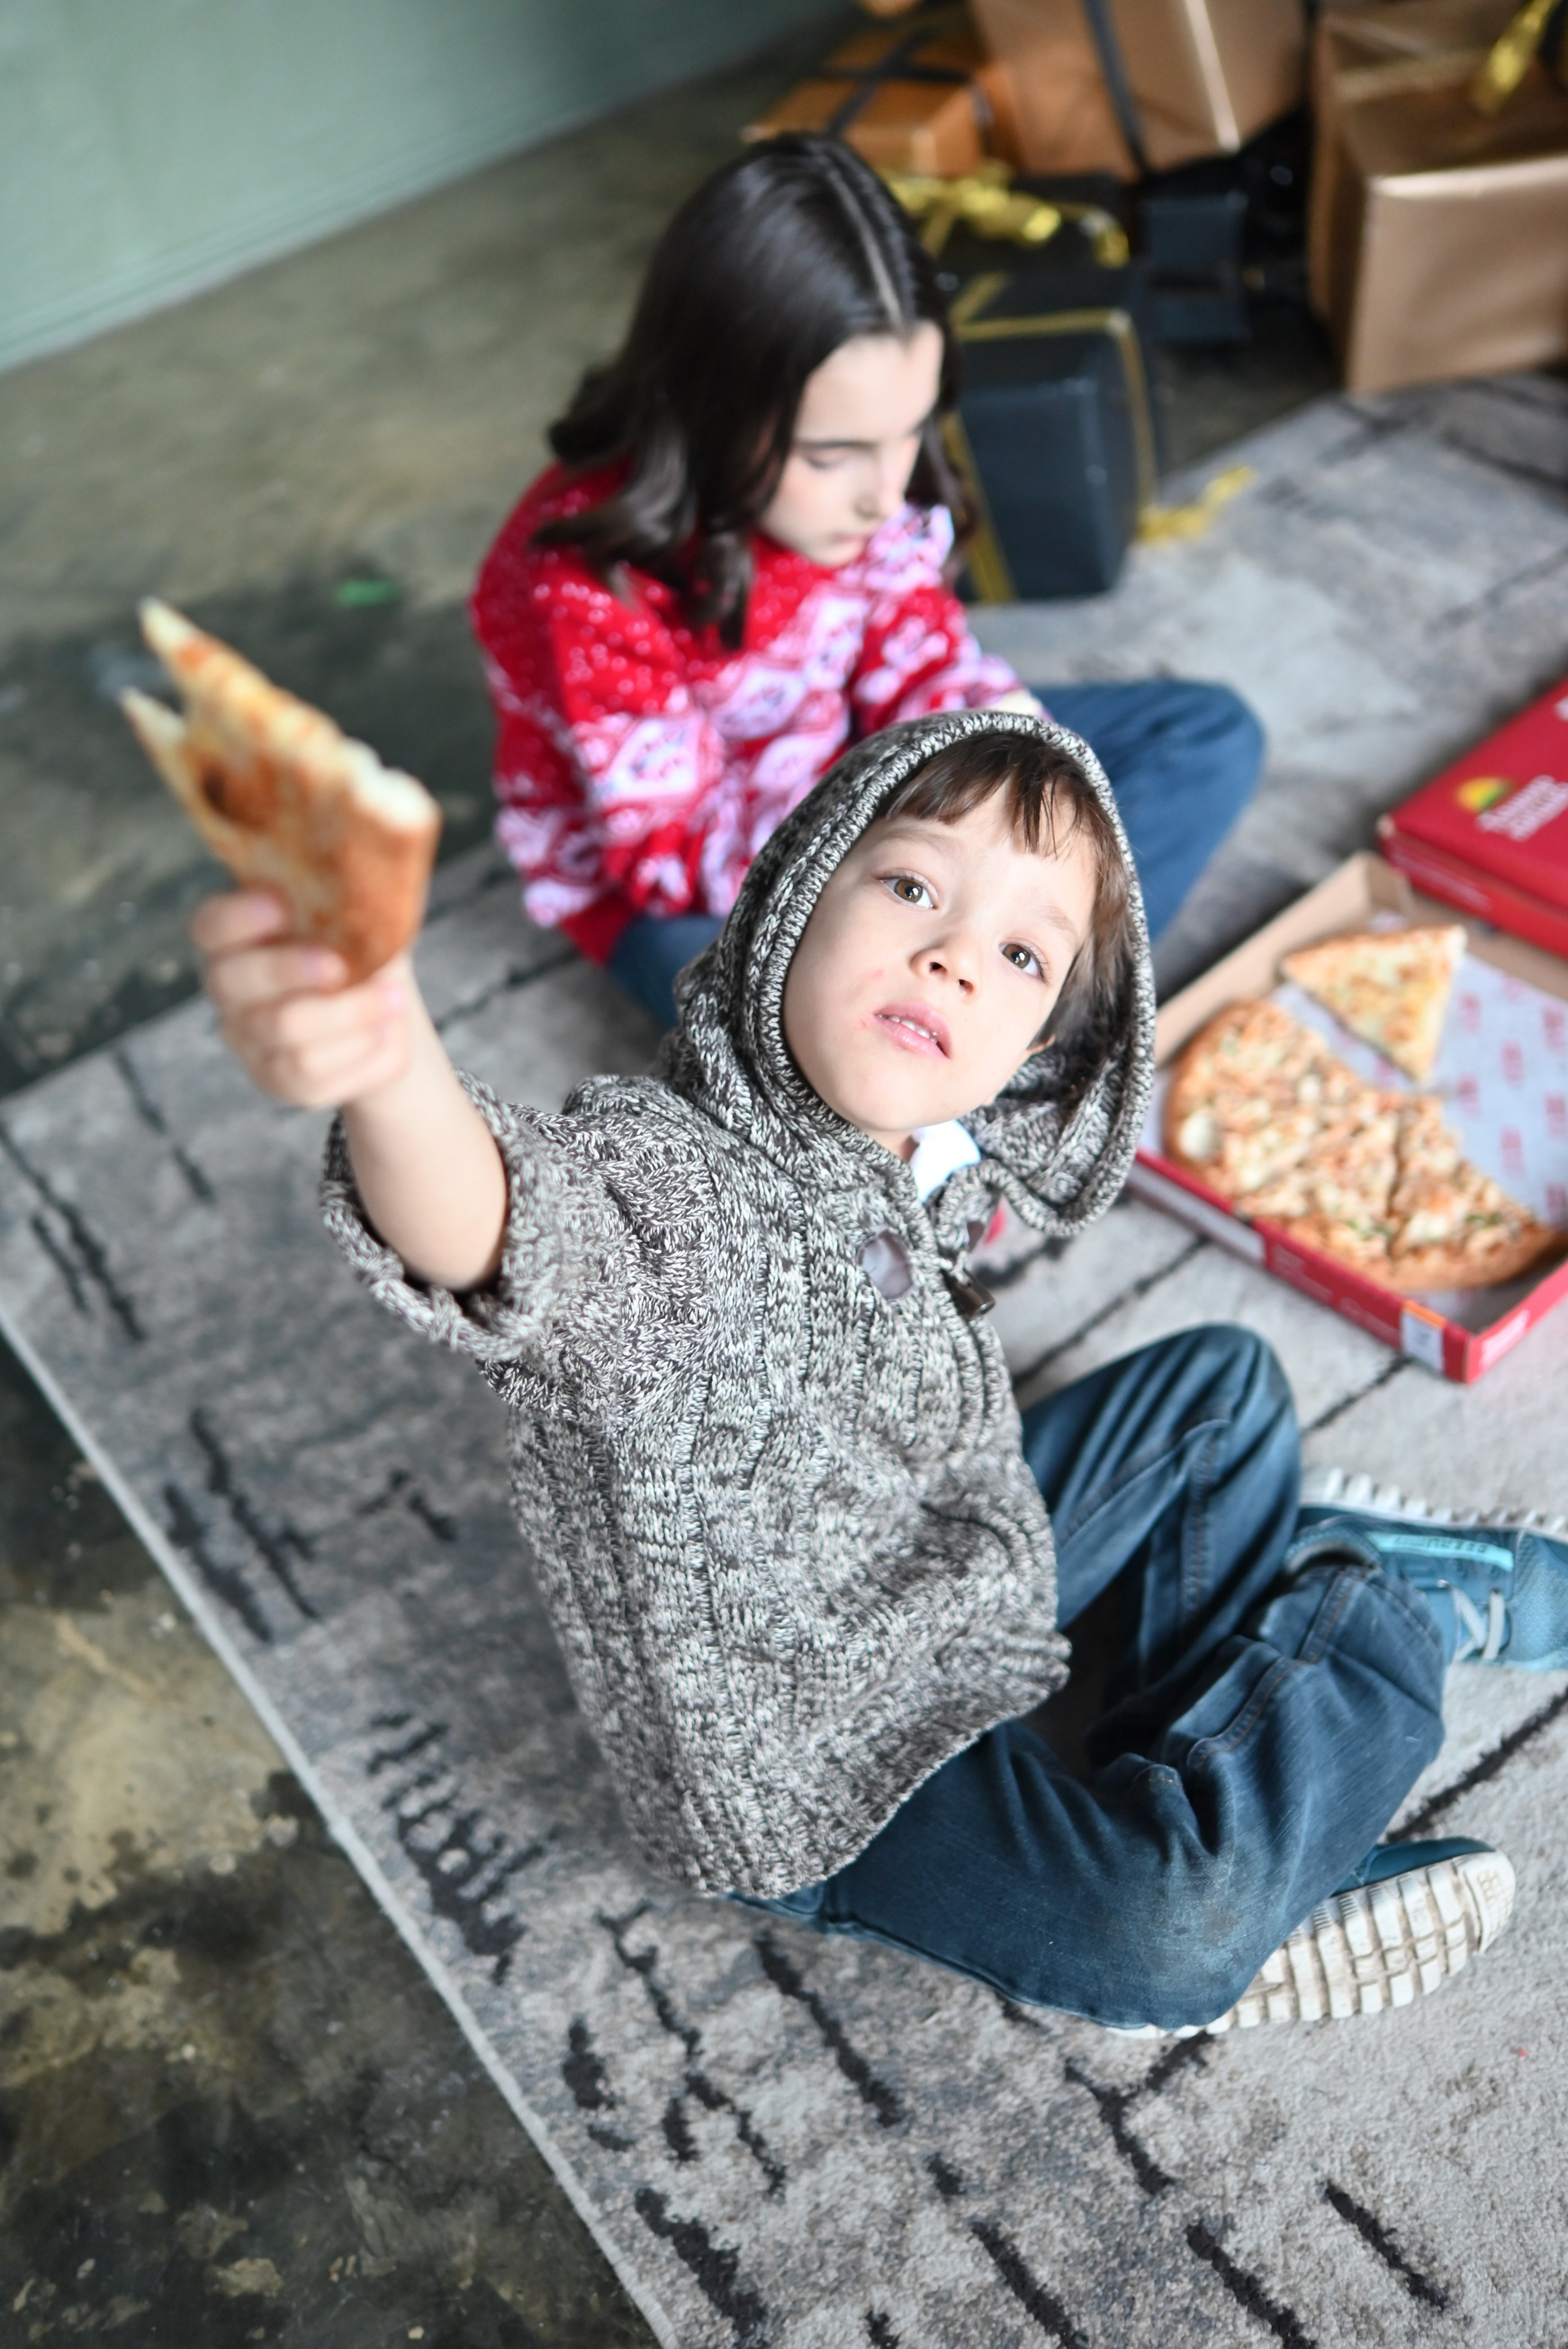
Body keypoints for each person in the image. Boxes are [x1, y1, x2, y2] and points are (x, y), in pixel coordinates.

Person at [192, 706, 1565, 2034]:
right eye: (911, 884)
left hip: (955, 1557)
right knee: (1171, 1930)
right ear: (792, 894)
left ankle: (1235, 1771)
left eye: (1024, 958)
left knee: (1219, 1391)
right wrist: (385, 1063)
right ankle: (1376, 1616)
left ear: (1039, 1050)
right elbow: (491, 1221)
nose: (959, 958)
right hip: (825, 1761)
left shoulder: (926, 1153)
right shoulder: (662, 1195)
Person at [472, 134, 1262, 1032]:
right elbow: (672, 855)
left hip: (864, 774)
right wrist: (919, 880)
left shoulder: (872, 481)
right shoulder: (588, 581)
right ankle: (1019, 1021)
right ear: (706, 407)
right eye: (831, 453)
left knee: (1209, 738)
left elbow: (927, 662)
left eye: (911, 431)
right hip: (707, 868)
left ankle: (984, 1033)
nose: (886, 493)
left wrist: (993, 801)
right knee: (734, 1006)